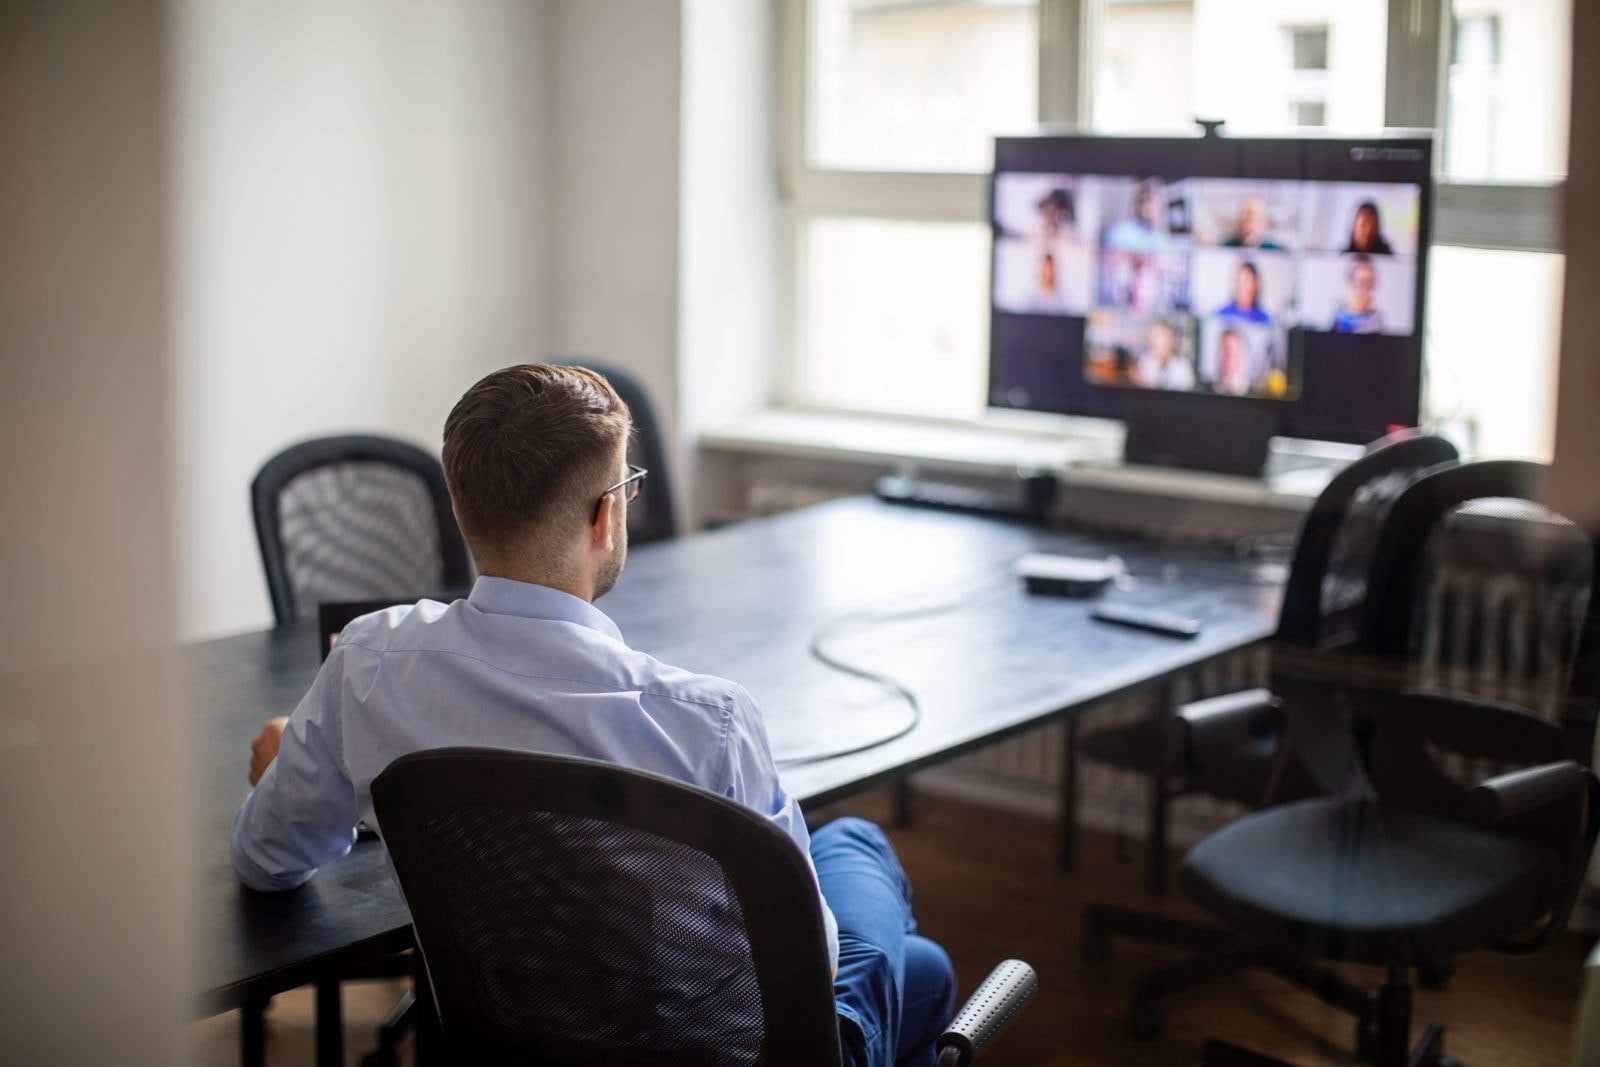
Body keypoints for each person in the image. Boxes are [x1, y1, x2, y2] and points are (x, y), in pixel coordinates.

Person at [230, 364, 957, 1067]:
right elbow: (810, 959)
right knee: (866, 863)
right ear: (606, 513)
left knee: (910, 954)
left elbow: (264, 862)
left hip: (526, 1040)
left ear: (459, 507)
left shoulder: (370, 663)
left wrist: (288, 770)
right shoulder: (708, 721)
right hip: (726, 1049)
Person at [1131, 319, 1196, 391]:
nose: (1159, 342)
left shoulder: (1181, 365)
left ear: (1171, 340)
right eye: (1154, 338)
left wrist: (1150, 383)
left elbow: (1185, 388)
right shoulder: (1146, 360)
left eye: (1162, 336)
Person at [1103, 180, 1167, 252]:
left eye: (1156, 205)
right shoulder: (1121, 231)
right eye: (1146, 202)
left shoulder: (1161, 239)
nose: (1150, 208)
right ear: (1138, 206)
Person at [1332, 254, 1385, 333]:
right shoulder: (1337, 320)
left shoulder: (1378, 323)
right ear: (1350, 283)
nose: (1366, 291)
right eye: (1361, 283)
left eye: (1370, 285)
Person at [1214, 261, 1272, 325]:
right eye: (1239, 281)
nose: (1242, 286)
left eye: (1246, 281)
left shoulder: (1264, 319)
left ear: (1255, 284)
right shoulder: (1222, 315)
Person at [1209, 328, 1254, 396]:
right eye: (1221, 349)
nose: (1223, 356)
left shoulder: (1255, 394)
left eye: (1230, 351)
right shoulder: (1205, 389)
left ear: (1243, 355)